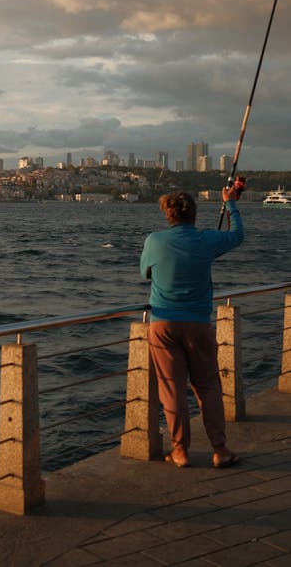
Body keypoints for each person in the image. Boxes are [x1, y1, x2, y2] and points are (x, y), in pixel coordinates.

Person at [140, 184, 244, 469]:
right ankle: (220, 449)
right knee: (208, 387)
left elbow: (144, 271)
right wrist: (230, 203)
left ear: (168, 214)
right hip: (198, 323)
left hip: (163, 323)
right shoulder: (207, 240)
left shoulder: (154, 240)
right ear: (194, 215)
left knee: (172, 389)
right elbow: (237, 235)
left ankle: (179, 451)